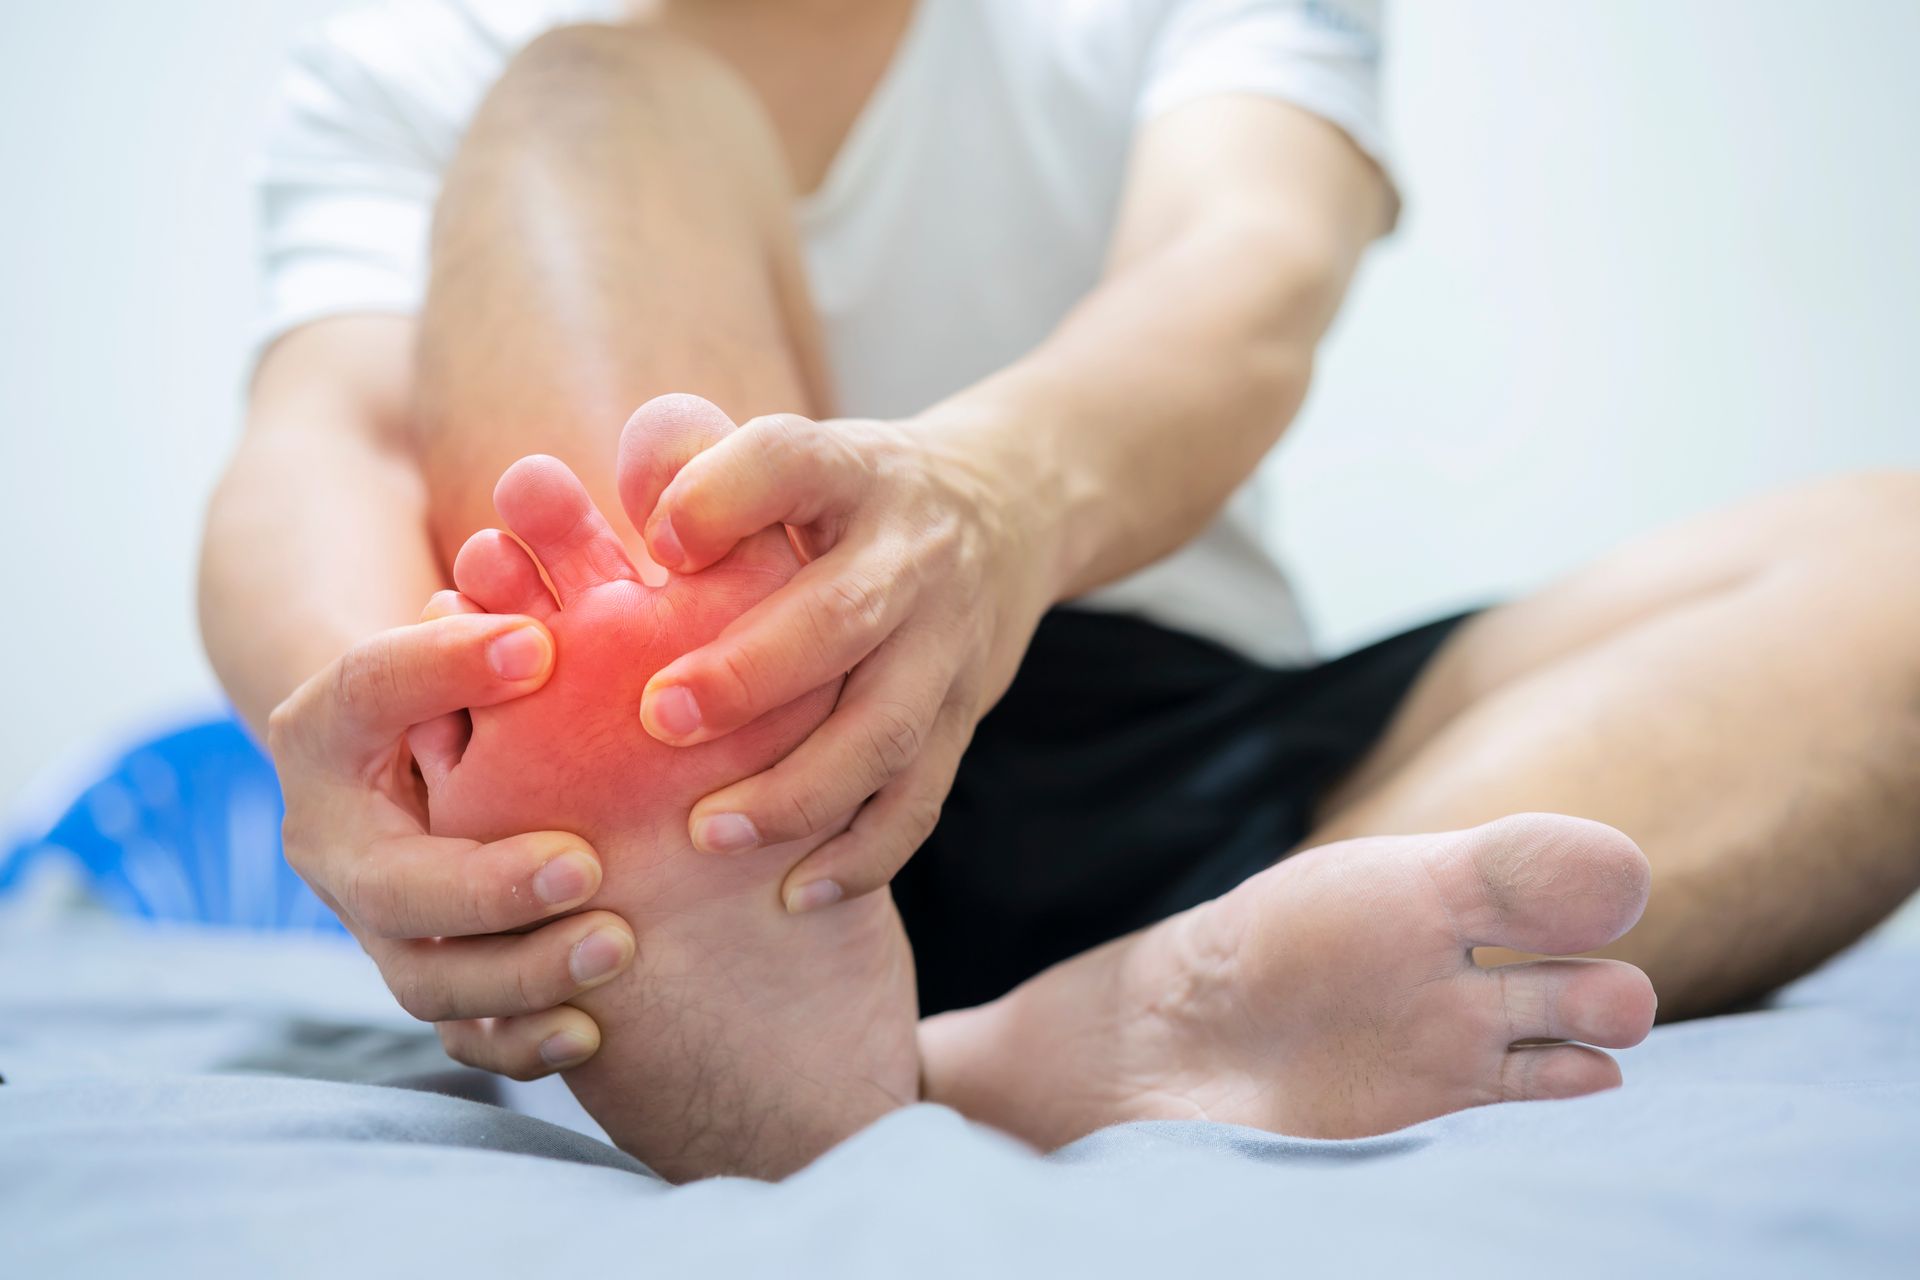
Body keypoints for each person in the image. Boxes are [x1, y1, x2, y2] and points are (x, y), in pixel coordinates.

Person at [200, 0, 1920, 1179]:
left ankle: (1135, 1015)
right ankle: (790, 998)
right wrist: (368, 731)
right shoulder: (427, 57)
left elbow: (1245, 266)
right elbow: (320, 448)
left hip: (1215, 760)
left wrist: (985, 499)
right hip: (721, 817)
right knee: (592, 103)